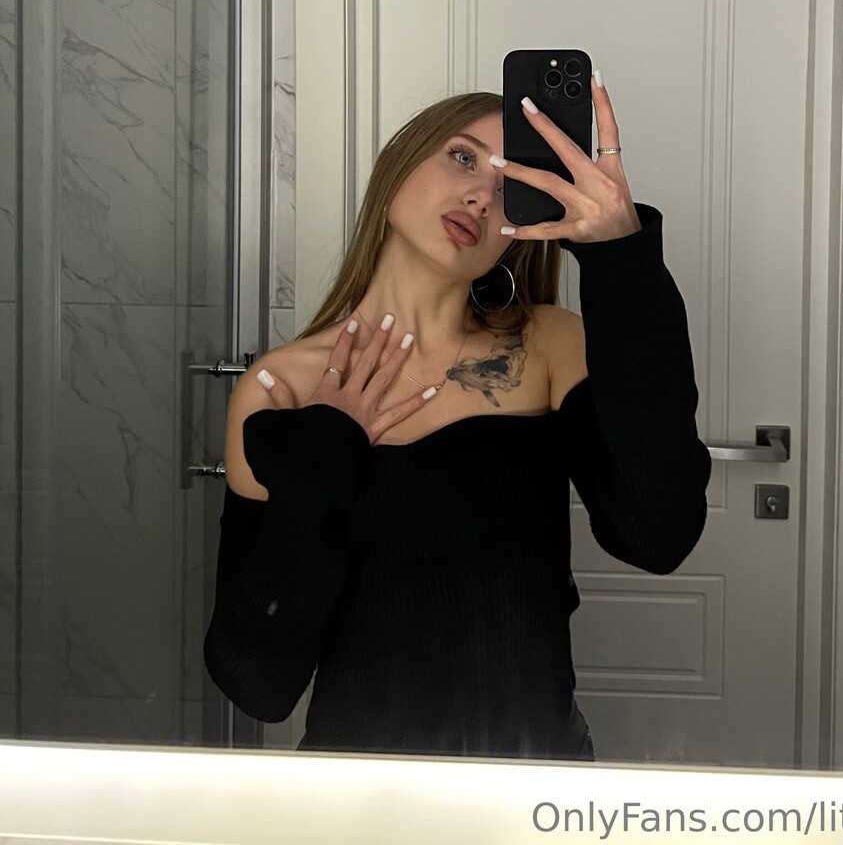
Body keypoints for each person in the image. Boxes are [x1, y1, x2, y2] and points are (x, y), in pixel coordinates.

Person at [204, 71, 712, 760]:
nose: (480, 195)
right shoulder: (282, 388)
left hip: (534, 777)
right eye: (464, 157)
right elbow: (257, 680)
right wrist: (324, 452)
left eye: (510, 187)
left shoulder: (549, 347)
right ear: (398, 162)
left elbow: (660, 533)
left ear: (522, 227)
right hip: (361, 793)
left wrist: (620, 254)